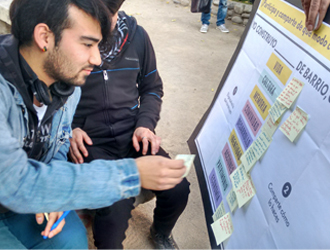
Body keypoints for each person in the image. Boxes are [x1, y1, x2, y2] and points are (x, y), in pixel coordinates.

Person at [0, 0, 186, 248]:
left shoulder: (67, 88)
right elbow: (14, 180)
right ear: (44, 36)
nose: (98, 59)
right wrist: (133, 174)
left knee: (73, 240)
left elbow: (57, 146)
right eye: (87, 44)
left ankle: (161, 232)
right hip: (18, 187)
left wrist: (54, 193)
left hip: (28, 201)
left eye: (98, 44)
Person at [68, 0, 190, 249]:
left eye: (108, 17)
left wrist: (145, 125)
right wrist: (68, 129)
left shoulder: (138, 37)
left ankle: (161, 232)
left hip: (133, 135)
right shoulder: (71, 38)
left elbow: (152, 88)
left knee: (178, 186)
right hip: (91, 143)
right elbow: (51, 95)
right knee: (112, 210)